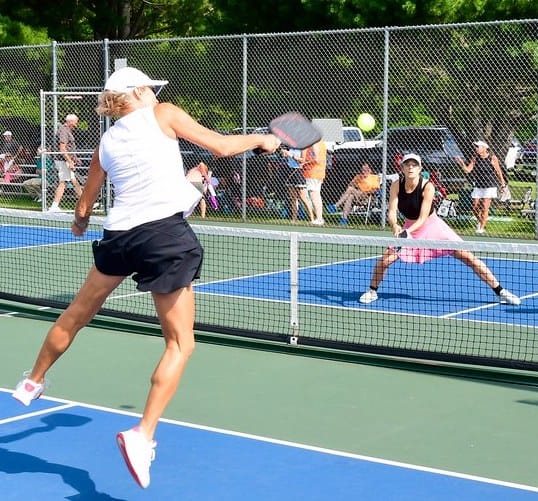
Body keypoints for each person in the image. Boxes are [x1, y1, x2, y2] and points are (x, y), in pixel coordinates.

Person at [10, 66, 281, 489]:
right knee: (180, 344)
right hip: (164, 237)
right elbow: (223, 147)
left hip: (119, 237)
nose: (155, 94)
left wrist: (80, 222)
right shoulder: (165, 113)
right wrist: (263, 139)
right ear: (136, 93)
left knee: (77, 313)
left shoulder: (105, 142)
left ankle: (33, 380)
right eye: (151, 89)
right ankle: (143, 434)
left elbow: (84, 206)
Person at [358, 153, 520, 306]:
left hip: (433, 226)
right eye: (407, 164)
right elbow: (392, 211)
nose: (411, 167)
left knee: (468, 257)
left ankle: (500, 291)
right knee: (385, 261)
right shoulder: (396, 185)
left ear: (420, 168)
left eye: (414, 165)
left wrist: (407, 233)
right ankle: (372, 291)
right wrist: (395, 225)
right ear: (402, 168)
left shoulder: (428, 187)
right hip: (409, 228)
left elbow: (422, 218)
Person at [456, 140, 506, 234]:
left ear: (484, 148)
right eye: (476, 147)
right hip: (479, 185)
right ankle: (481, 221)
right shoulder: (475, 158)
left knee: (484, 207)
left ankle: (481, 228)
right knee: (474, 207)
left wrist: (503, 185)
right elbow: (468, 170)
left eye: (478, 147)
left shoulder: (492, 158)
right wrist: (461, 163)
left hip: (490, 186)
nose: (476, 149)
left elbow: (499, 172)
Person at [48, 113, 83, 212]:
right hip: (62, 161)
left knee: (74, 181)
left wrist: (75, 158)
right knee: (63, 182)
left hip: (65, 160)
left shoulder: (67, 130)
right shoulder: (63, 130)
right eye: (76, 121)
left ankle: (85, 203)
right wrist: (70, 161)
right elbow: (62, 148)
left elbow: (69, 148)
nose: (76, 123)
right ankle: (54, 206)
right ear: (70, 121)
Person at [280, 147, 314, 223]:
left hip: (298, 171)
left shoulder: (302, 148)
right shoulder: (291, 148)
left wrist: (291, 155)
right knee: (293, 198)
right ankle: (294, 219)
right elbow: (288, 158)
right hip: (290, 171)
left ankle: (312, 218)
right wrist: (285, 154)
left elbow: (303, 160)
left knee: (303, 197)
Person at [301, 139, 327, 225]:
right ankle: (319, 218)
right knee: (316, 195)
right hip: (317, 172)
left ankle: (319, 218)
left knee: (314, 195)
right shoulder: (321, 143)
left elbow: (316, 159)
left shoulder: (314, 143)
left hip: (313, 172)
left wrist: (305, 163)